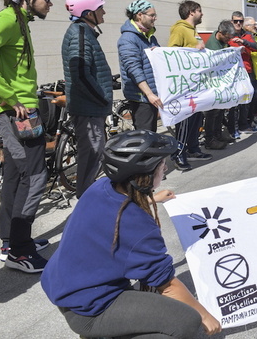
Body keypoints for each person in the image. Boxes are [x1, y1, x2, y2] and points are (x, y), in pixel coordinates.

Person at [41, 130, 222, 338]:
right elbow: (167, 285)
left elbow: (115, 213)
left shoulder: (101, 187)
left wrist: (152, 198)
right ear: (144, 175)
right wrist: (205, 316)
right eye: (162, 165)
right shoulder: (138, 225)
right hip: (90, 309)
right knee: (188, 320)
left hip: (63, 285)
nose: (165, 169)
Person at [0, 0, 54, 272]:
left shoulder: (20, 21)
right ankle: (20, 249)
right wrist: (8, 97)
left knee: (17, 175)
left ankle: (10, 240)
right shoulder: (7, 20)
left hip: (20, 107)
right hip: (15, 111)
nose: (50, 3)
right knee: (36, 176)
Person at [61, 0, 113, 198]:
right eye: (100, 8)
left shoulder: (85, 32)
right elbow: (81, 74)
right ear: (88, 13)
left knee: (93, 154)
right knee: (92, 154)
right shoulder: (80, 34)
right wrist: (102, 98)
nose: (104, 13)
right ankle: (86, 201)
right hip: (89, 108)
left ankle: (87, 197)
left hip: (91, 107)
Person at [168, 0, 212, 171]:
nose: (202, 14)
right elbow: (172, 52)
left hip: (196, 84)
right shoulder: (179, 29)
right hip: (185, 86)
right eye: (200, 11)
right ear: (192, 12)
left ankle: (193, 148)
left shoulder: (193, 31)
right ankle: (179, 154)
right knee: (185, 122)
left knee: (196, 119)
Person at [118, 0, 163, 132]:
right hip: (142, 97)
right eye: (152, 15)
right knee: (145, 137)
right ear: (139, 15)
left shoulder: (150, 37)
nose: (155, 18)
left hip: (151, 96)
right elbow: (133, 69)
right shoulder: (128, 39)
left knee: (151, 136)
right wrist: (149, 94)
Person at [203, 20, 236, 150]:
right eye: (228, 37)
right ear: (221, 33)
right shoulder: (213, 45)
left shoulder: (222, 42)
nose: (229, 40)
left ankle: (218, 134)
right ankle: (210, 139)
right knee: (212, 112)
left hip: (219, 82)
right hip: (213, 83)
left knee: (220, 110)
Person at [228, 13, 257, 135]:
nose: (238, 23)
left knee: (247, 100)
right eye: (236, 21)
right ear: (232, 21)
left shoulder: (246, 35)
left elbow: (255, 47)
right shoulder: (228, 34)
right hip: (233, 72)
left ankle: (244, 124)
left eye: (240, 21)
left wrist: (243, 42)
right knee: (233, 103)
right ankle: (232, 128)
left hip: (247, 71)